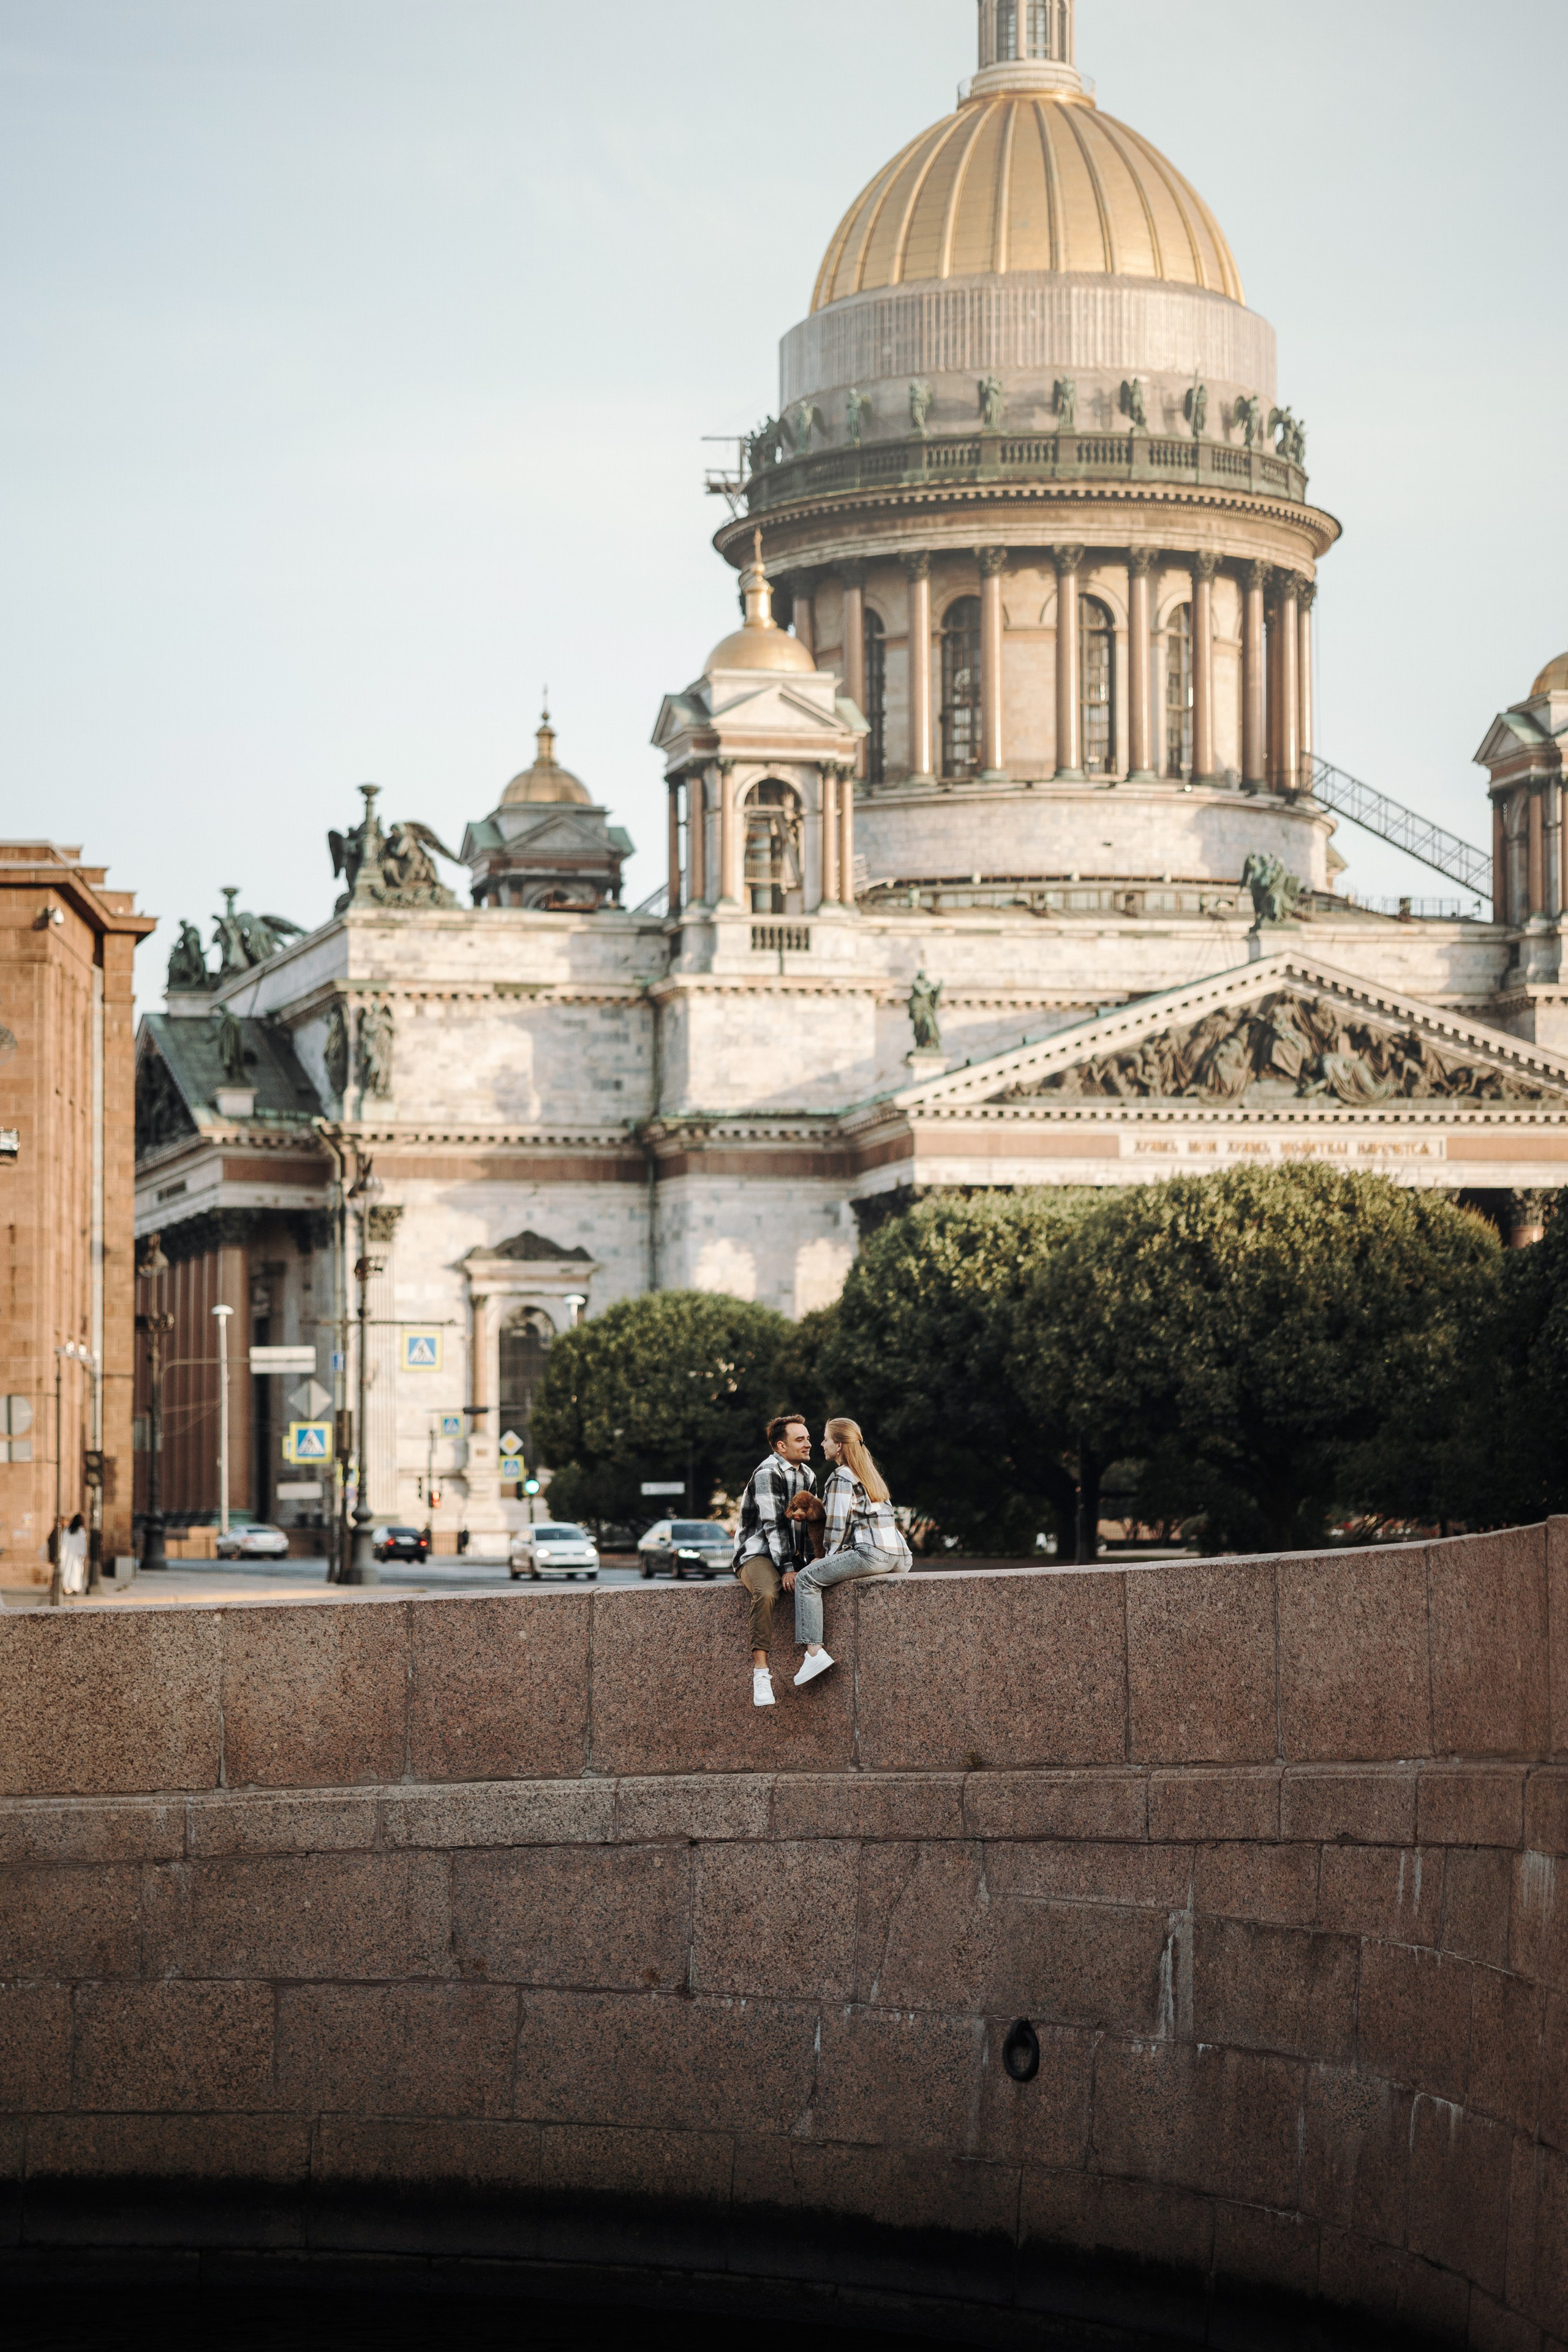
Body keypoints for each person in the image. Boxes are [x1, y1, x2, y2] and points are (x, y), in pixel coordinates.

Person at [787, 1418, 910, 1686]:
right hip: (900, 1557)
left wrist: (823, 1559)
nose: (821, 1444)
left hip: (872, 1554)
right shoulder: (868, 1472)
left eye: (826, 1439)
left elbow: (836, 1525)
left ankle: (814, 1653)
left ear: (840, 1445)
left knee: (806, 1578)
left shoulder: (841, 1476)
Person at [731, 1413, 816, 1708]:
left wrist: (813, 1561)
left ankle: (814, 1654)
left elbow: (810, 1525)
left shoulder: (808, 1475)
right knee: (767, 1591)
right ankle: (761, 1674)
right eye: (800, 1439)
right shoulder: (768, 1473)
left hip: (791, 1554)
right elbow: (774, 1526)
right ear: (781, 1446)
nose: (808, 1444)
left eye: (808, 1438)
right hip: (757, 1552)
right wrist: (788, 1569)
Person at [59, 1512, 88, 1598]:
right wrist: (82, 1553)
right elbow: (82, 1544)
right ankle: (75, 1588)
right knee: (76, 1572)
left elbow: (62, 1542)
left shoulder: (66, 1530)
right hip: (76, 1556)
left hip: (67, 1555)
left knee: (67, 1571)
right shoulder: (80, 1531)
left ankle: (66, 1587)